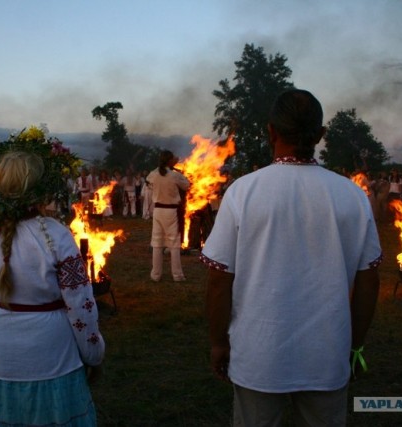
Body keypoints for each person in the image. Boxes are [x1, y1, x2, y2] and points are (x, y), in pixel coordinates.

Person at [202, 89, 382, 426]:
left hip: (259, 354)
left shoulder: (243, 191)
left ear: (270, 131)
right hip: (327, 354)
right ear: (320, 135)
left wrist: (217, 342)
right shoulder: (351, 196)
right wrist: (354, 345)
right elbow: (369, 280)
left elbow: (218, 279)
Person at [0, 151, 104, 426]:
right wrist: (93, 354)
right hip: (51, 357)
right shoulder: (57, 235)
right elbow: (81, 307)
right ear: (40, 189)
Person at [146, 150, 191, 282]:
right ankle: (177, 275)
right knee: (174, 243)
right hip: (171, 211)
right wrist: (178, 171)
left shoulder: (154, 174)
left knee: (157, 242)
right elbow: (187, 185)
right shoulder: (174, 175)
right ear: (170, 161)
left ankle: (155, 275)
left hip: (158, 211)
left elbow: (148, 180)